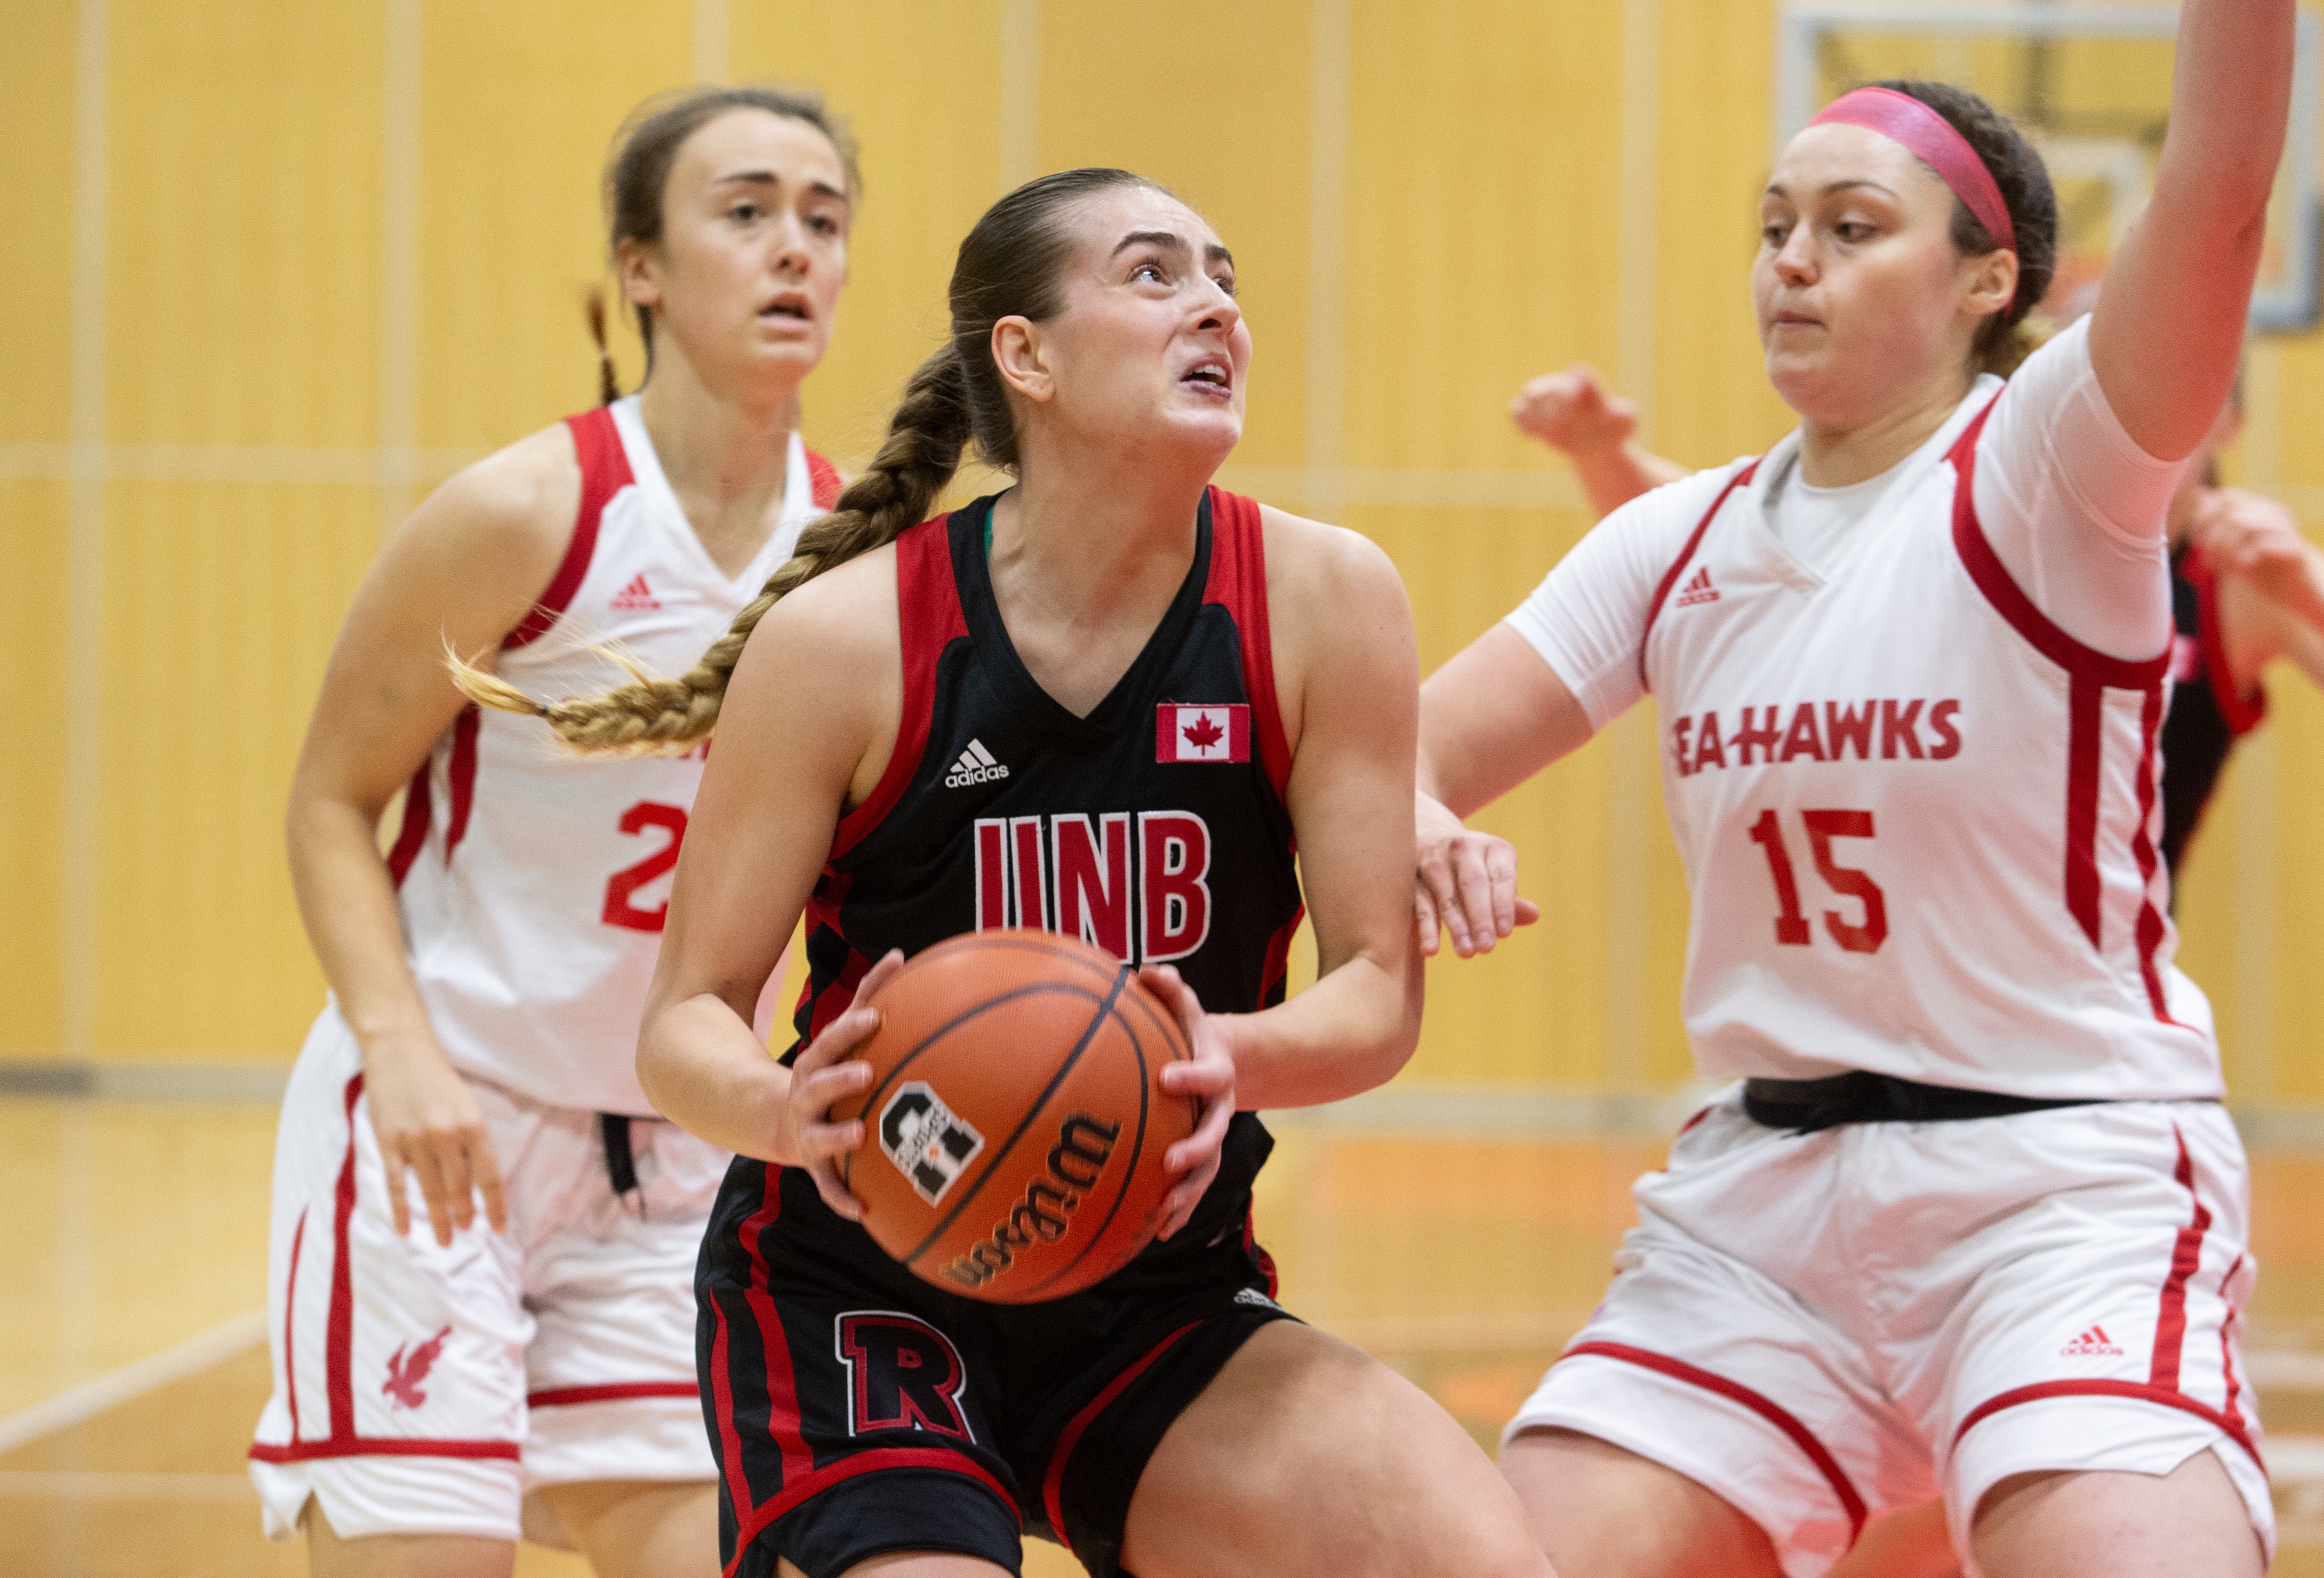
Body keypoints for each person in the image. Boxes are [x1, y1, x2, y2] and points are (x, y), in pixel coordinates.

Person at [459, 166, 1553, 1578]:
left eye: (1222, 275)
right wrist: (795, 1114)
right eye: (1153, 274)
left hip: (1151, 1288)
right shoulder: (849, 641)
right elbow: (685, 1019)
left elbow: (1372, 998)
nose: (1214, 301)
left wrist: (1195, 1055)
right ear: (1022, 356)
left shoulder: (1324, 598)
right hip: (860, 1293)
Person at [1415, 0, 2293, 1569]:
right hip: (1758, 1213)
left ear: (1986, 280)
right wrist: (1409, 811)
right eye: (1773, 227)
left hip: (2054, 1185)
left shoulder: (2048, 466)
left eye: (1850, 225)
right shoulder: (1670, 539)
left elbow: (2217, 198)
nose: (1790, 260)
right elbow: (1399, 755)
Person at [247, 86, 854, 1577]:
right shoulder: (532, 511)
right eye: (749, 210)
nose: (797, 249)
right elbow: (330, 795)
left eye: (825, 219)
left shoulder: (861, 556)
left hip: (680, 1154)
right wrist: (397, 1049)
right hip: (448, 1124)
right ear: (641, 267)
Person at [1511, 368, 2324, 897]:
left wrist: (2314, 599)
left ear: (2228, 419)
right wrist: (1601, 457)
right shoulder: (2003, 535)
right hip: (1919, 960)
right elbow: (1734, 550)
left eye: (2179, 387)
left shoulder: (2245, 577)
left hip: (2094, 995)